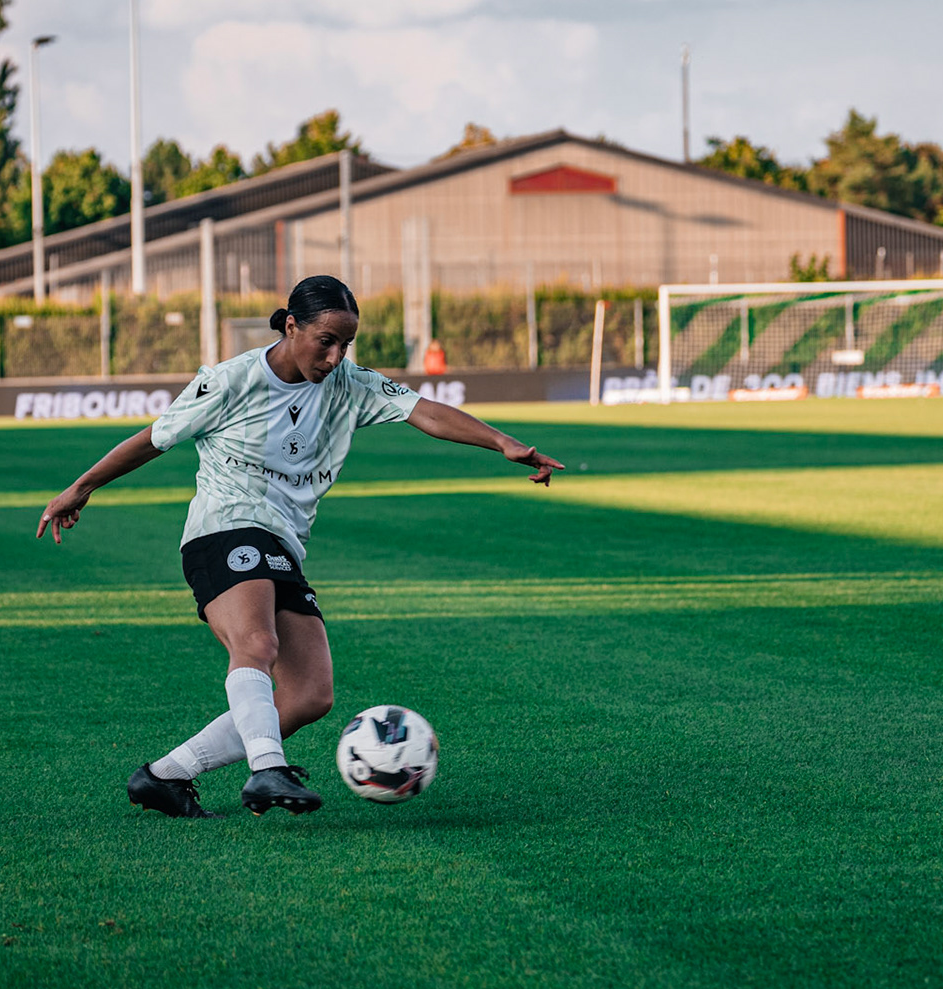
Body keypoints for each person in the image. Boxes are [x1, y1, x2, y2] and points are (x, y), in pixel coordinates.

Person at [35, 275, 564, 818]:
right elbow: (154, 438)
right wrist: (80, 488)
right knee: (257, 644)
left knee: (310, 694)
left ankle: (165, 776)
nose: (335, 356)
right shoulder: (232, 380)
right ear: (291, 326)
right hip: (224, 528)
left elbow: (423, 410)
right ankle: (267, 769)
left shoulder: (348, 384)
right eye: (325, 341)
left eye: (345, 344)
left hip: (282, 544)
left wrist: (503, 442)